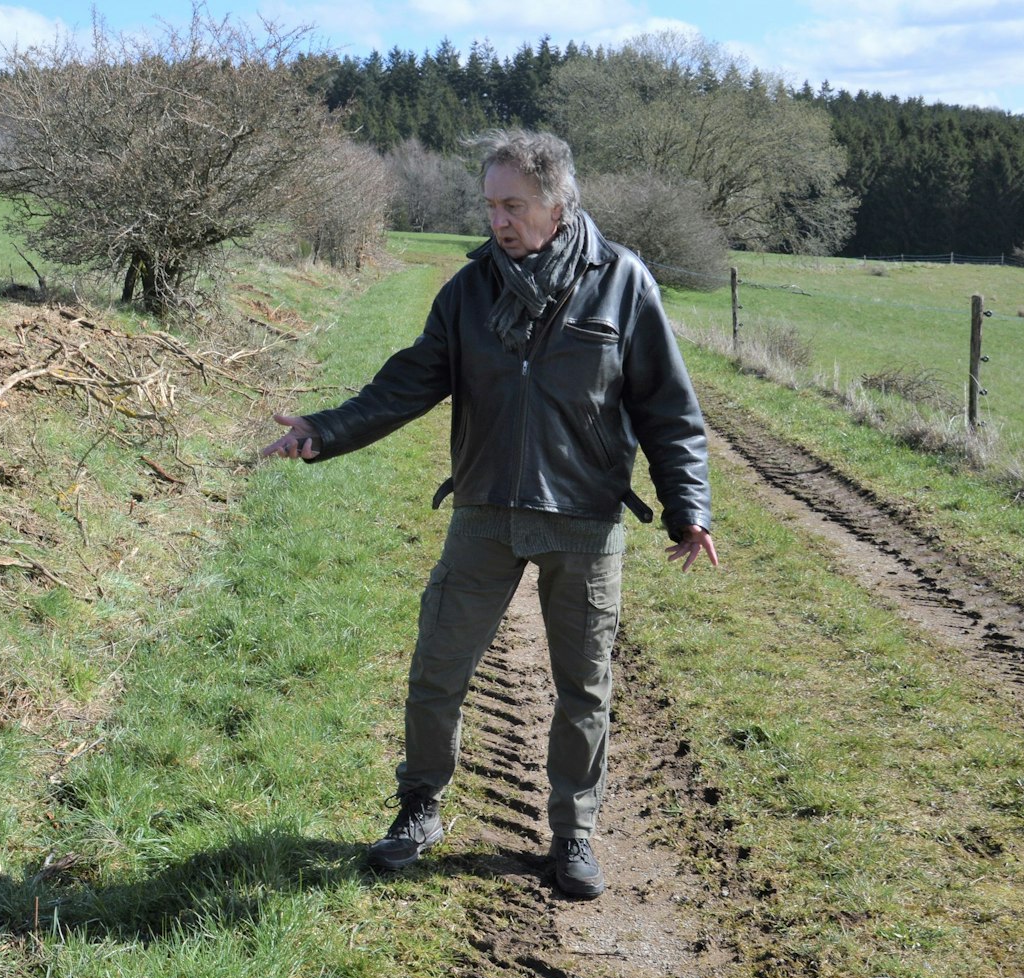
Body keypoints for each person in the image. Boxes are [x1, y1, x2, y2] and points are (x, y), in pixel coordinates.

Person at [261, 129, 716, 899]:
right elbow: (406, 384)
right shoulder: (469, 291)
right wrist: (323, 430)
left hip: (584, 516)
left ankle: (572, 834)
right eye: (490, 205)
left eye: (513, 205)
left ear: (557, 202)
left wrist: (688, 508)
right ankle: (419, 808)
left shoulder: (622, 282)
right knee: (438, 666)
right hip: (484, 508)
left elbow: (668, 408)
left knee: (584, 687)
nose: (498, 221)